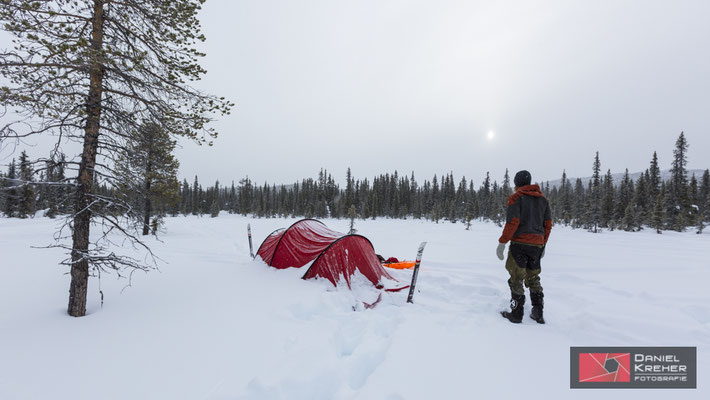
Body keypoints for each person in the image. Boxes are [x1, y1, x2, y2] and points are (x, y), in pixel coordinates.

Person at [496, 170, 552, 324]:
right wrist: (543, 243)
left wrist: (502, 242)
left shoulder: (516, 198)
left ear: (516, 183)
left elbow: (512, 222)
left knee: (516, 278)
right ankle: (538, 312)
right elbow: (547, 225)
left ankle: (516, 313)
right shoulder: (543, 200)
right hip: (537, 245)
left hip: (519, 244)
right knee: (533, 277)